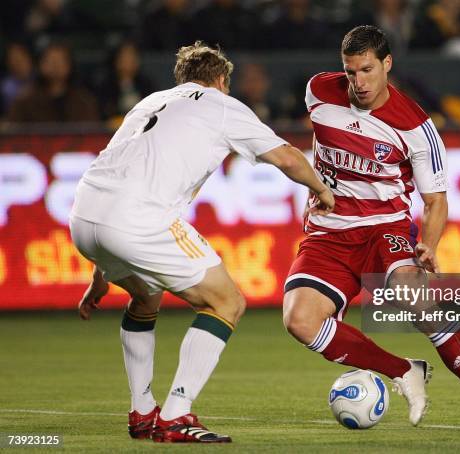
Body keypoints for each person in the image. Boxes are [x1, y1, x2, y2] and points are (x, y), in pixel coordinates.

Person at [69, 41, 334, 443]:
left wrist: (101, 270)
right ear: (222, 80)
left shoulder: (150, 102)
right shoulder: (222, 105)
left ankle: (142, 413)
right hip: (138, 218)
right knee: (226, 301)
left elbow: (117, 175)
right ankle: (176, 414)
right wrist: (323, 191)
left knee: (145, 298)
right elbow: (289, 158)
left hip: (85, 216)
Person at [283, 25, 460, 430]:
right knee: (299, 320)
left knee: (415, 299)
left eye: (366, 70)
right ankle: (403, 370)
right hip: (328, 234)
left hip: (384, 230)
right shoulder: (319, 91)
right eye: (350, 71)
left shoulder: (415, 126)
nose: (358, 82)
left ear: (387, 64)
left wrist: (428, 244)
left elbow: (435, 200)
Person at [7, 42, 99, 123]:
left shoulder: (83, 100)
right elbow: (14, 131)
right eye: (50, 61)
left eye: (60, 61)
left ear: (70, 66)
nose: (55, 66)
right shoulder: (25, 99)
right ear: (40, 64)